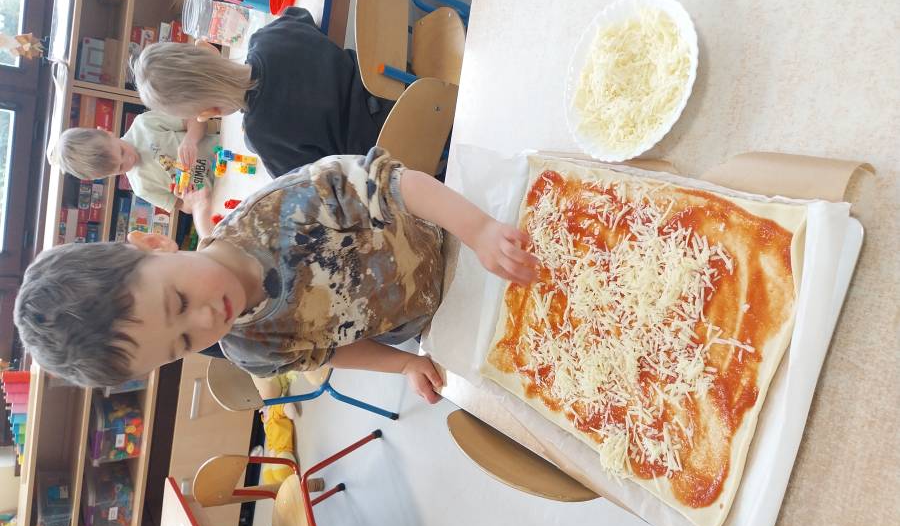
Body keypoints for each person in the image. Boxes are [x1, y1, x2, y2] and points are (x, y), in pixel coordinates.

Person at [15, 149, 537, 404]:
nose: (206, 321)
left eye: (179, 302)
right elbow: (325, 352)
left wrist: (479, 230)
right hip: (440, 321)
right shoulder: (250, 350)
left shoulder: (283, 210)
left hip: (460, 233)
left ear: (154, 243)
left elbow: (395, 186)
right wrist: (402, 364)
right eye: (184, 343)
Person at [133, 7, 392, 179]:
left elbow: (310, 183)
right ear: (208, 48)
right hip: (394, 82)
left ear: (210, 113)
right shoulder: (268, 38)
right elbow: (300, 15)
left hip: (386, 148)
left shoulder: (262, 137)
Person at [53, 112, 216, 236]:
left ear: (107, 132)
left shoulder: (143, 124)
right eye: (120, 167)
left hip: (224, 150)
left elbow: (196, 119)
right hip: (218, 194)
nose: (129, 160)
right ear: (108, 176)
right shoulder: (141, 188)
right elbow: (185, 207)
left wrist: (190, 140)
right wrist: (189, 199)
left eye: (122, 151)